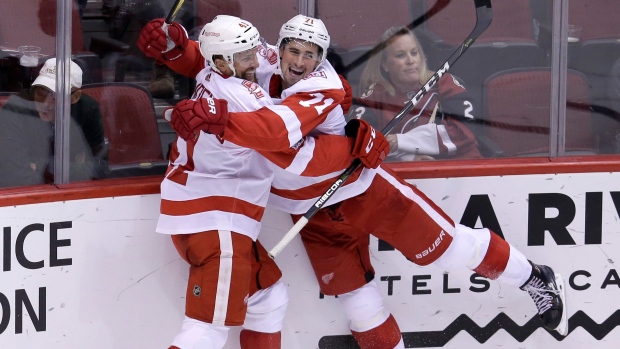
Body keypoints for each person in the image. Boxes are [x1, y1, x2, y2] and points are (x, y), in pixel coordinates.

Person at [142, 14, 569, 347]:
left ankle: (533, 276)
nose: (300, 62)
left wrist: (221, 120)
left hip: (361, 191)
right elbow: (220, 59)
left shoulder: (321, 87)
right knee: (357, 303)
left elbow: (289, 149)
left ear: (323, 59)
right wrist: (176, 49)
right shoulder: (265, 59)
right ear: (280, 46)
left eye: (312, 55)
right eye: (293, 50)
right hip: (311, 215)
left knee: (450, 250)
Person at [150, 15, 384, 349]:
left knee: (268, 298)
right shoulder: (242, 96)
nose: (257, 60)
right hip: (218, 220)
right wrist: (336, 113)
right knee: (206, 331)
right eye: (246, 57)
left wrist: (175, 47)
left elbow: (224, 64)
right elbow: (282, 136)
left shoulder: (209, 73)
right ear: (222, 61)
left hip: (197, 211)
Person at [353, 26, 482, 161]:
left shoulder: (444, 82)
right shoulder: (373, 96)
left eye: (414, 53)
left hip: (461, 168)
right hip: (404, 173)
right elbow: (360, 143)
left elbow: (464, 132)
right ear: (385, 64)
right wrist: (408, 157)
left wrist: (402, 141)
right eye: (400, 55)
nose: (410, 61)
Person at [0, 58, 108, 188]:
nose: (46, 103)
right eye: (41, 91)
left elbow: (100, 167)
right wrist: (76, 166)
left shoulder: (88, 109)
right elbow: (15, 177)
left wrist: (42, 168)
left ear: (75, 97)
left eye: (57, 95)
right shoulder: (16, 109)